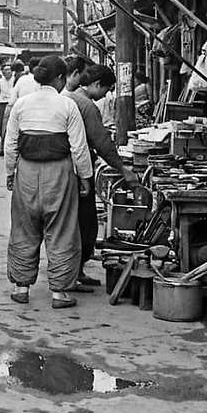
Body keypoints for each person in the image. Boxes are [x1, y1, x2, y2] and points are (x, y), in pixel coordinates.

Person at [3, 55, 93, 309]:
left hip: (27, 171)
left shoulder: (22, 105)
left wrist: (10, 172)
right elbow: (79, 147)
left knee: (24, 228)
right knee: (62, 230)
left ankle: (21, 288)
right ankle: (59, 293)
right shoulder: (67, 105)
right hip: (59, 173)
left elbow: (10, 144)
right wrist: (85, 176)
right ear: (60, 78)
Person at [67, 63, 138, 288]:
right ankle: (74, 273)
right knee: (85, 223)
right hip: (79, 170)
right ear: (97, 84)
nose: (106, 95)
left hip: (63, 169)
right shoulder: (87, 106)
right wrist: (123, 169)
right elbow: (102, 142)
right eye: (106, 89)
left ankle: (72, 273)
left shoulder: (67, 97)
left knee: (69, 223)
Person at [0, 63, 16, 157]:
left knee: (9, 127)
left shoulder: (15, 81)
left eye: (9, 69)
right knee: (1, 127)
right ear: (2, 71)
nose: (7, 72)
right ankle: (3, 146)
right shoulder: (0, 82)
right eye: (5, 70)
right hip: (1, 105)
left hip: (11, 104)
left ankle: (6, 148)